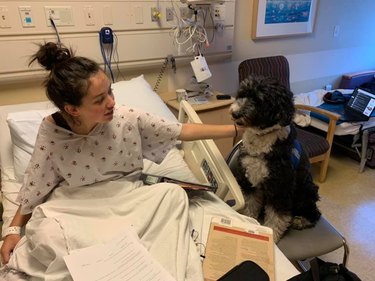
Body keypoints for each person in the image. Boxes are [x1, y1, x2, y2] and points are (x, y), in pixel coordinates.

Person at [0, 42, 240, 279]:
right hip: (76, 205)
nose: (112, 102)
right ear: (72, 109)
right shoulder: (51, 131)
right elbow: (35, 184)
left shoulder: (126, 118)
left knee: (172, 196)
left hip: (127, 197)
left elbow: (180, 130)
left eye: (110, 91)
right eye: (99, 99)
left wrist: (236, 129)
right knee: (46, 236)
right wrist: (12, 229)